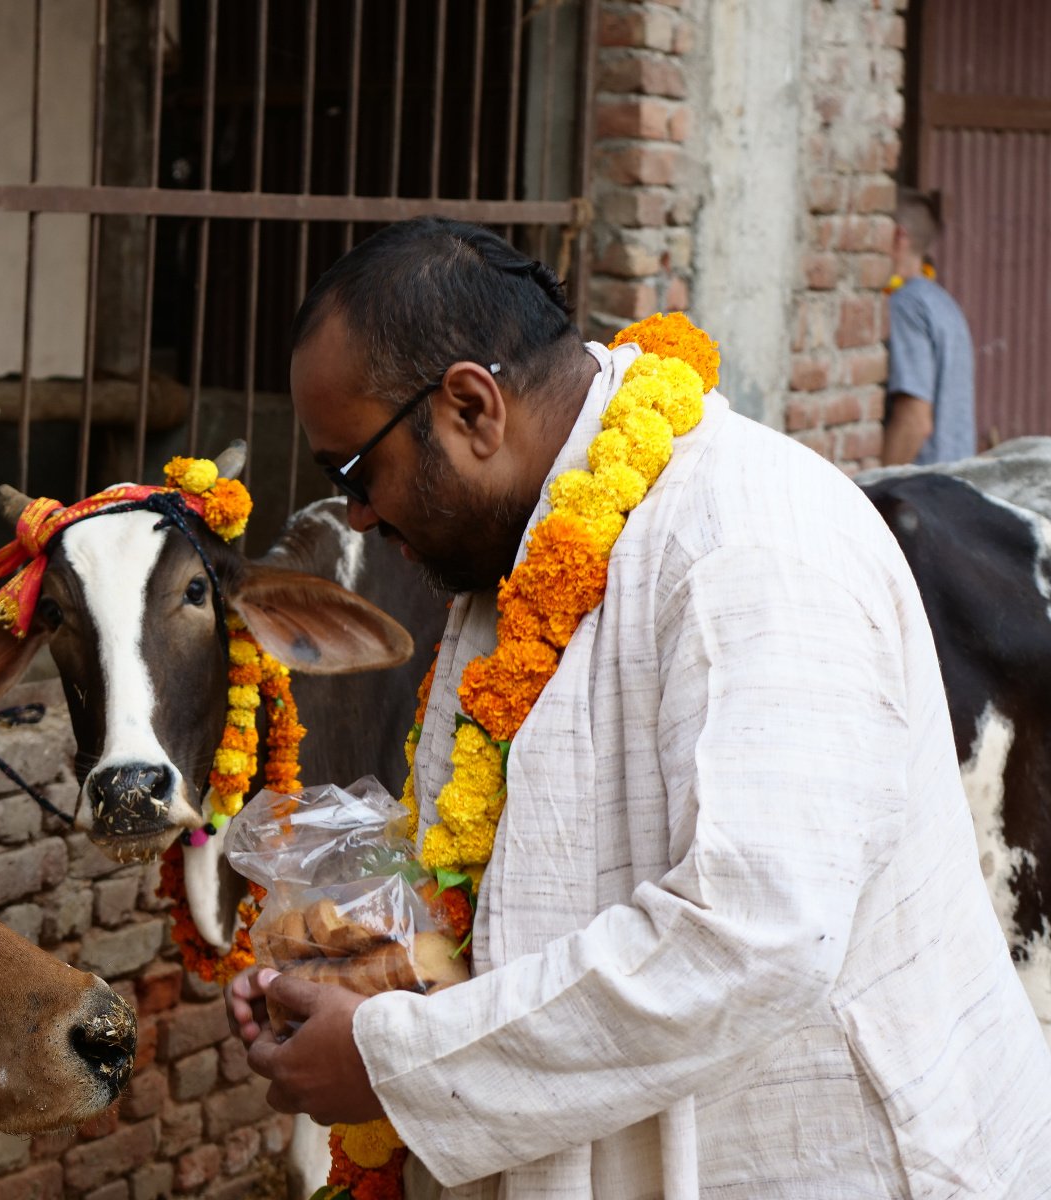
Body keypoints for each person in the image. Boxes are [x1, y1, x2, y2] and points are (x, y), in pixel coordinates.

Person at [228, 217, 1051, 1197]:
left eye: (353, 474)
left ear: (471, 408)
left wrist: (399, 1064)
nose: (356, 516)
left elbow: (756, 933)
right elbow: (535, 870)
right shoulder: (518, 550)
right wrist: (375, 969)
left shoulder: (741, 545)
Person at [881, 188, 976, 465]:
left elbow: (914, 420)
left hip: (917, 495)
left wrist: (867, 497)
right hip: (953, 490)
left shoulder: (906, 305)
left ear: (898, 236)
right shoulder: (943, 304)